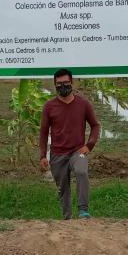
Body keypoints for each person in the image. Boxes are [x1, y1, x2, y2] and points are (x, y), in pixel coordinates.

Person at [39, 68, 101, 220]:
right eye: (59, 84)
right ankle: (67, 218)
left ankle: (83, 211)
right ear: (55, 85)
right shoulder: (49, 106)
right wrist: (42, 155)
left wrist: (89, 145)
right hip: (57, 154)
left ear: (72, 82)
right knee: (63, 188)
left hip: (77, 151)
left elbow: (95, 125)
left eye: (66, 83)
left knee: (81, 171)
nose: (63, 86)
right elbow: (43, 132)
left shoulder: (83, 104)